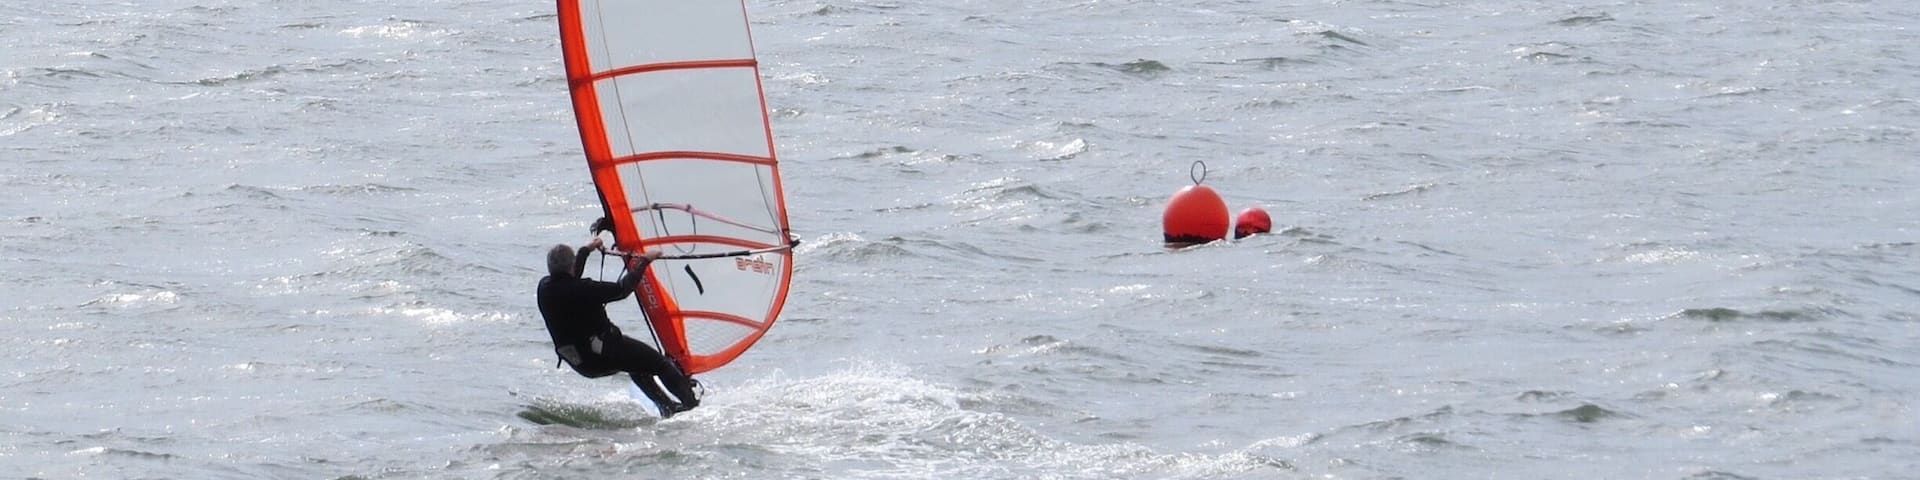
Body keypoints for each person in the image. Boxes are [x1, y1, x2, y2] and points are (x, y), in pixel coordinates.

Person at [537, 236, 701, 418]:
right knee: (661, 364)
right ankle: (692, 407)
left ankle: (667, 408)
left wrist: (586, 250)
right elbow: (622, 289)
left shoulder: (544, 288)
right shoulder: (583, 289)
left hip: (580, 362)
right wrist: (645, 261)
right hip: (603, 353)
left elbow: (569, 278)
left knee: (636, 365)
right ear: (572, 266)